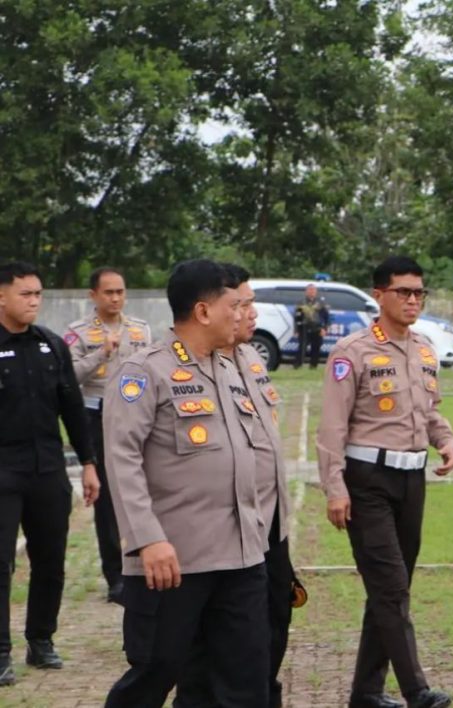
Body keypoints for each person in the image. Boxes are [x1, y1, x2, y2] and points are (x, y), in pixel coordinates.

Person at [103, 259, 268, 708]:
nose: (242, 314)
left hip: (241, 557)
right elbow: (122, 460)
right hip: (174, 559)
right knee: (156, 672)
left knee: (246, 680)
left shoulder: (232, 369)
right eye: (233, 305)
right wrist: (147, 539)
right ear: (202, 311)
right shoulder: (144, 372)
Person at [317, 256, 453, 708]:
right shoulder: (352, 352)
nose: (413, 300)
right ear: (379, 295)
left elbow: (430, 409)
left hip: (411, 479)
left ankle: (366, 694)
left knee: (389, 590)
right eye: (404, 292)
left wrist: (446, 439)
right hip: (368, 481)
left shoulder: (424, 349)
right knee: (392, 588)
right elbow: (332, 428)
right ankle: (417, 691)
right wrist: (335, 488)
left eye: (419, 293)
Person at [173, 264, 293, 708]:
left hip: (270, 520)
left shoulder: (252, 358)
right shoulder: (202, 364)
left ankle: (265, 692)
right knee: (219, 643)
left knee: (272, 621)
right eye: (239, 304)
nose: (250, 313)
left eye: (249, 304)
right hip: (227, 526)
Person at [0, 261, 99, 686]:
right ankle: (0, 653)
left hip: (48, 471)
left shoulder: (52, 346)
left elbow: (73, 410)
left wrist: (89, 463)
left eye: (38, 294)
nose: (34, 301)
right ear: (2, 296)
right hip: (3, 473)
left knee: (51, 563)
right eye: (26, 294)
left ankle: (41, 640)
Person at [64, 266, 152, 604]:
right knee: (107, 499)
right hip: (96, 415)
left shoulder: (140, 330)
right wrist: (102, 353)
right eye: (108, 292)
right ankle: (115, 576)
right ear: (93, 296)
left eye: (120, 291)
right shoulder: (78, 333)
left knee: (141, 489)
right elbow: (68, 377)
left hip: (135, 416)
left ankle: (143, 563)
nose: (115, 298)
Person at [294, 282, 329, 369]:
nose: (311, 292)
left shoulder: (320, 303)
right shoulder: (301, 302)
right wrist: (296, 330)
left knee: (316, 348)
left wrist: (324, 329)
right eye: (310, 290)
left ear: (316, 292)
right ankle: (298, 366)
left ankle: (313, 366)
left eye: (313, 290)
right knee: (302, 348)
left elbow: (326, 317)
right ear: (306, 291)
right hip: (304, 328)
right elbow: (296, 317)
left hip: (317, 328)